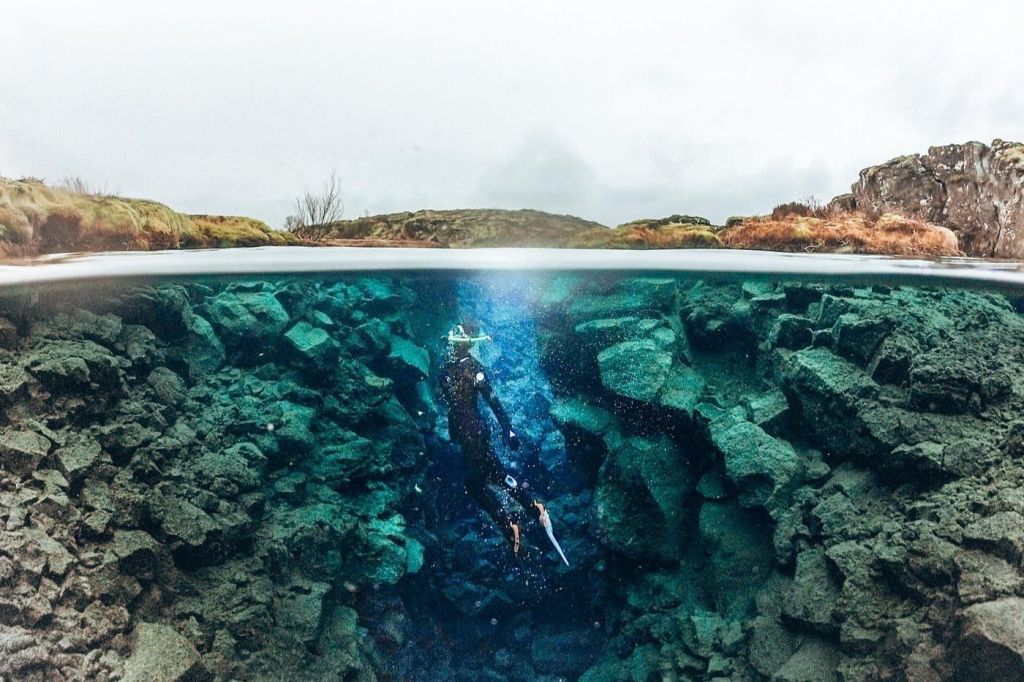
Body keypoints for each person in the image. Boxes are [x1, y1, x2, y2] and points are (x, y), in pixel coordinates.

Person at [440, 321, 550, 557]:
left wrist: (508, 429)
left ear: (463, 345)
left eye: (452, 343)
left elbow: (492, 401)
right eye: (448, 343)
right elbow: (453, 408)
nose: (448, 347)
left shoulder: (472, 368)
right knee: (497, 475)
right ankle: (533, 507)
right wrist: (453, 433)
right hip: (467, 435)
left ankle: (509, 525)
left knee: (474, 484)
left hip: (474, 433)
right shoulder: (448, 371)